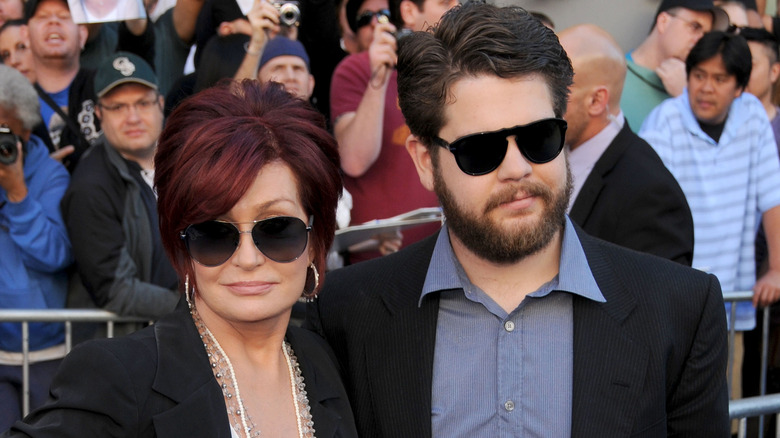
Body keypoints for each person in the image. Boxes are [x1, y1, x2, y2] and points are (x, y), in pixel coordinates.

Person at [307, 2, 729, 436]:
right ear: (425, 162)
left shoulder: (679, 311)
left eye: (539, 137)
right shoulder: (345, 314)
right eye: (480, 150)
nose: (517, 168)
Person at [3, 80, 359, 438]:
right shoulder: (118, 377)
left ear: (315, 241)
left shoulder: (326, 362)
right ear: (182, 244)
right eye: (215, 233)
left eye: (278, 229)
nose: (248, 258)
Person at [640, 31, 780, 403]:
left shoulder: (752, 117)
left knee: (725, 410)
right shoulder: (664, 121)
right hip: (673, 299)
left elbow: (773, 197)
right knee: (670, 406)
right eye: (699, 74)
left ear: (739, 87)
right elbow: (650, 210)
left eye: (720, 79)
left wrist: (777, 268)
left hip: (731, 298)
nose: (706, 87)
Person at [60, 52, 178, 341]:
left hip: (176, 340)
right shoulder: (91, 186)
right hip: (124, 354)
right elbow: (116, 291)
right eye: (118, 107)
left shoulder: (185, 166)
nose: (133, 117)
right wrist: (200, 311)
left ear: (160, 104)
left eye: (142, 103)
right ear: (99, 114)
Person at [329, 0, 457, 263]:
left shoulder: (454, 69)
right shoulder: (356, 68)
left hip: (447, 252)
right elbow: (354, 160)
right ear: (409, 12)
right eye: (446, 2)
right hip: (377, 261)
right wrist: (379, 77)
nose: (457, 8)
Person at [558, 24, 695, 266]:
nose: (543, 102)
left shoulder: (651, 193)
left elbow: (661, 297)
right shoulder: (548, 153)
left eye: (557, 92)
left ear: (597, 101)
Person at [0, 64, 72, 432]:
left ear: (25, 133)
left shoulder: (51, 176)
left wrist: (18, 194)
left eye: (4, 131)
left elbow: (57, 254)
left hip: (45, 351)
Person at [622, 0, 729, 131]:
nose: (700, 41)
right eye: (695, 27)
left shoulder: (692, 90)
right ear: (663, 22)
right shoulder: (615, 73)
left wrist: (687, 95)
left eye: (706, 35)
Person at [25, 0, 97, 170]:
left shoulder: (107, 87)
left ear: (83, 35)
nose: (54, 22)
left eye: (65, 16)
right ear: (25, 35)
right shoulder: (11, 105)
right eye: (43, 16)